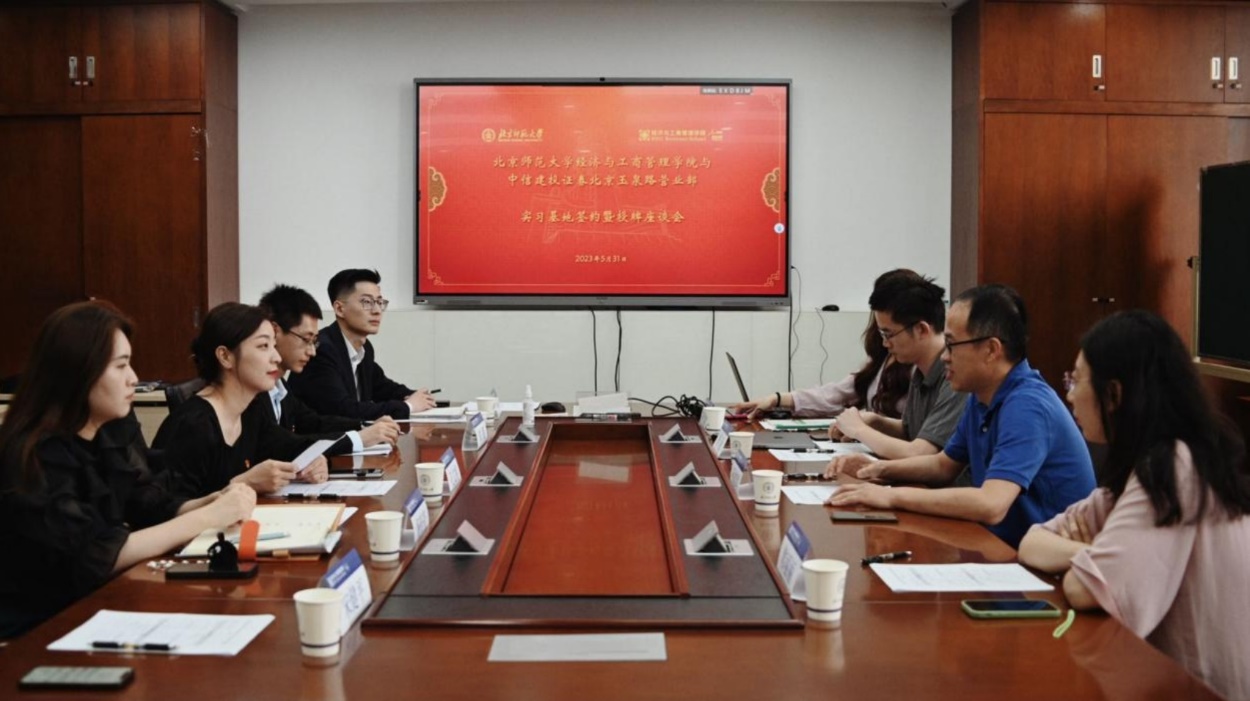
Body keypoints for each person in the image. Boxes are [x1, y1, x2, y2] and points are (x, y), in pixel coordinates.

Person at [1018, 311, 1250, 700]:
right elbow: (1032, 541)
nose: (1069, 394)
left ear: (1114, 394)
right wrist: (1096, 552)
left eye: (1076, 380)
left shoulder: (1174, 467)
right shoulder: (1137, 471)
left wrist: (1095, 560)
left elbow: (1083, 589)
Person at [0, 302, 255, 636]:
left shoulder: (108, 431)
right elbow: (93, 555)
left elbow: (146, 502)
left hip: (99, 605)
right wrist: (207, 518)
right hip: (39, 627)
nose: (134, 378)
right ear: (78, 371)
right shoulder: (35, 453)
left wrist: (207, 502)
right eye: (121, 366)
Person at [829, 284, 1095, 548]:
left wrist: (891, 497)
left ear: (991, 350)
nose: (944, 357)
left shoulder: (1027, 405)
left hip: (1041, 561)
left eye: (951, 345)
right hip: (1000, 545)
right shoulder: (981, 396)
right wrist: (876, 469)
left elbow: (991, 504)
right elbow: (943, 465)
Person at [153, 303, 329, 500]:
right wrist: (245, 483)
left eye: (273, 345)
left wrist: (315, 458)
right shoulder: (193, 425)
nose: (276, 357)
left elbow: (291, 445)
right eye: (263, 346)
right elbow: (169, 510)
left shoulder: (250, 412)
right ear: (225, 356)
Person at [818, 270, 967, 466]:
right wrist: (875, 421)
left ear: (921, 329)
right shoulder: (921, 369)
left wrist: (859, 430)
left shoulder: (956, 374)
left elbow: (921, 453)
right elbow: (911, 431)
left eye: (888, 334)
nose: (885, 343)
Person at [256, 284, 400, 452]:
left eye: (314, 341)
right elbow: (286, 445)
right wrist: (359, 438)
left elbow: (312, 422)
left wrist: (364, 426)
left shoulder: (281, 387)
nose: (311, 351)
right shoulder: (254, 392)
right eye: (306, 339)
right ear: (274, 332)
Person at [287, 269, 436, 420]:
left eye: (379, 302)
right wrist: (408, 406)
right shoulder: (322, 350)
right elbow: (344, 410)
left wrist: (416, 396)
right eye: (367, 302)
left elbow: (383, 388)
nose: (377, 311)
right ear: (339, 309)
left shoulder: (364, 348)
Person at [731, 315, 911, 420]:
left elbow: (916, 444)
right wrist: (776, 399)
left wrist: (863, 428)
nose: (885, 341)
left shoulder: (917, 370)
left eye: (889, 333)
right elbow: (835, 395)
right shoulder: (882, 358)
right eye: (882, 332)